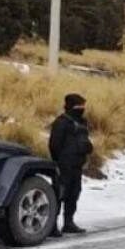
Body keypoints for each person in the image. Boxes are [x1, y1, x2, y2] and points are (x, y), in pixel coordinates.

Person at [49, 93, 94, 236]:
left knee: (73, 195)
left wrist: (87, 148)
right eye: (79, 106)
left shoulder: (82, 122)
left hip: (77, 165)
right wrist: (60, 161)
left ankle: (68, 223)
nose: (82, 108)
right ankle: (51, 225)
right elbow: (54, 145)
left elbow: (83, 140)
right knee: (60, 195)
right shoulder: (61, 122)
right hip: (64, 165)